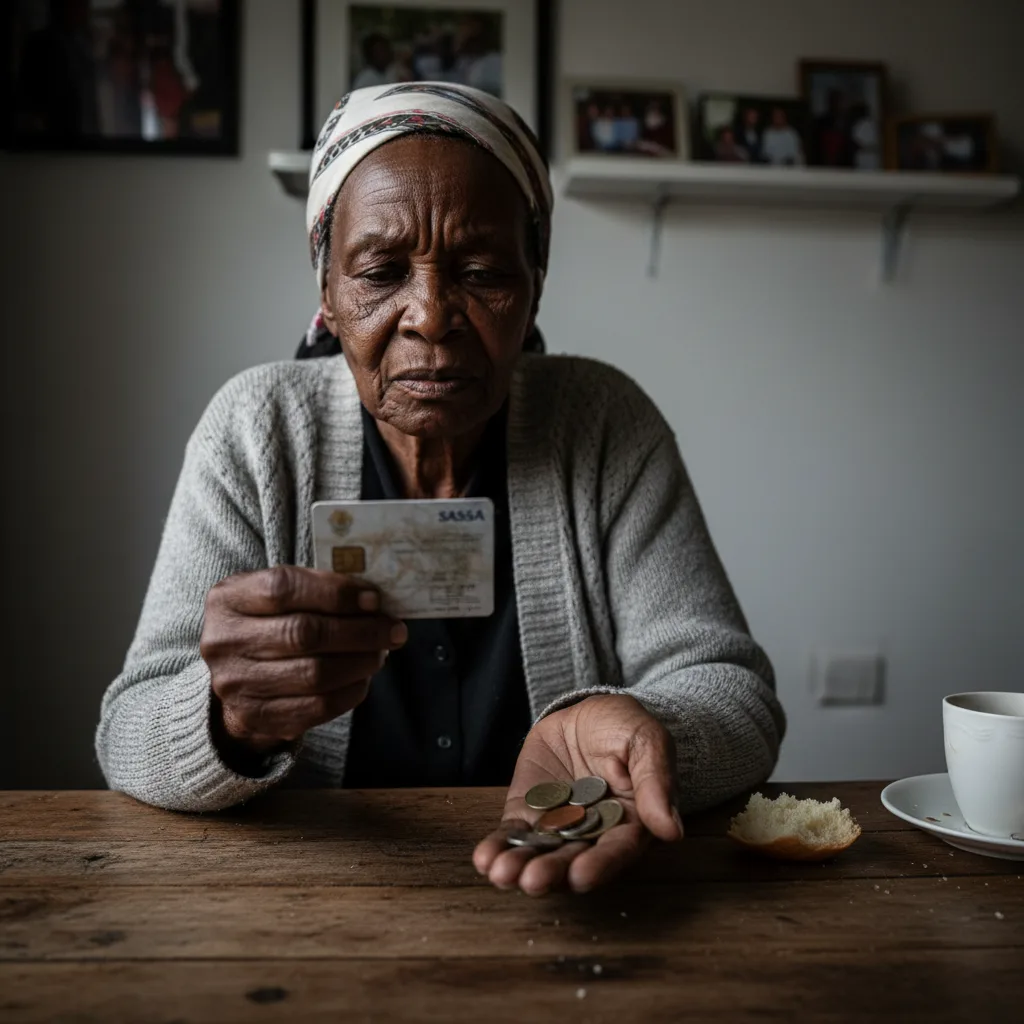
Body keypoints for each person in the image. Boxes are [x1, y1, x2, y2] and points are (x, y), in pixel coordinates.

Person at [96, 83, 785, 896]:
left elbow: (735, 694)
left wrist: (642, 730)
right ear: (327, 295)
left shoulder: (602, 424)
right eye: (382, 271)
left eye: (483, 270)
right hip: (302, 903)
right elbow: (127, 730)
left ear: (536, 283)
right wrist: (226, 718)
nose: (430, 315)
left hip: (573, 892)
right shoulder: (256, 429)